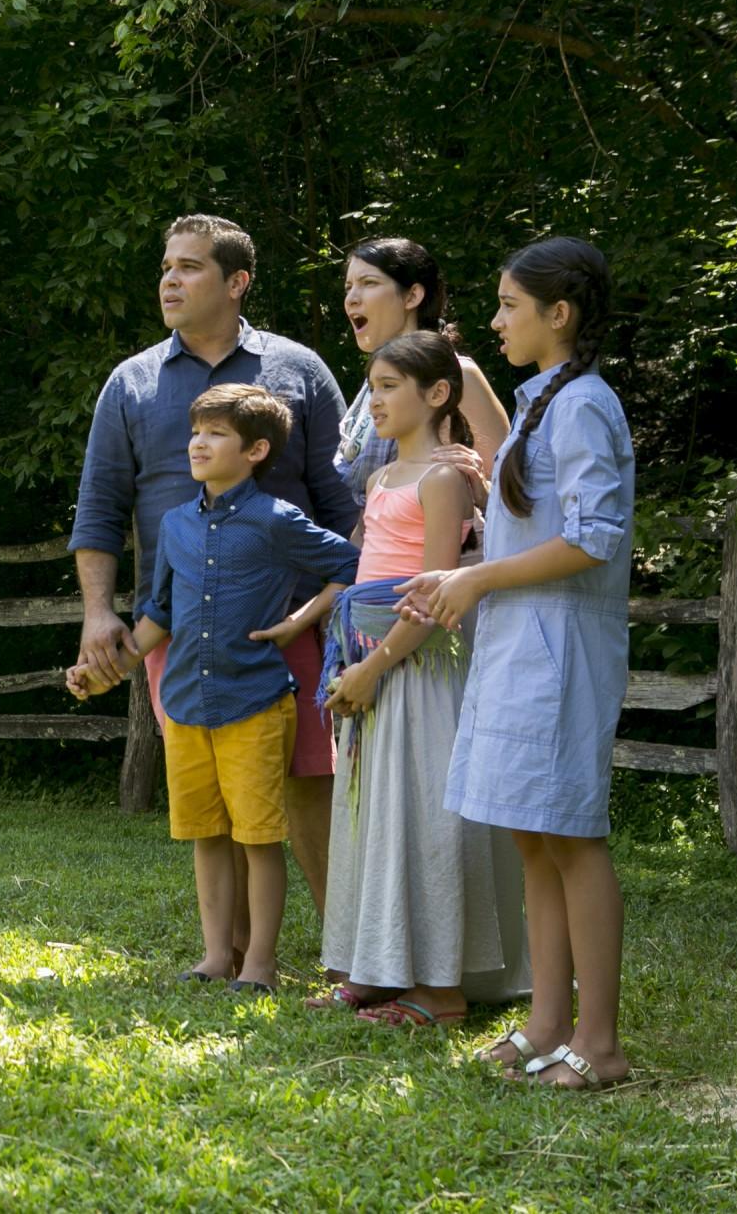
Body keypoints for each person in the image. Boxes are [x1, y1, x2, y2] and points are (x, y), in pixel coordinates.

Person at [71, 215, 361, 947]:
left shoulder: (299, 371)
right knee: (214, 797)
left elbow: (343, 511)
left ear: (237, 283)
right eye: (166, 266)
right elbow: (100, 508)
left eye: (190, 267)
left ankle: (347, 954)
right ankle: (227, 954)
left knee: (304, 787)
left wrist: (329, 612)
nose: (169, 279)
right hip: (181, 626)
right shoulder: (130, 382)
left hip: (285, 623)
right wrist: (99, 613)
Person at [397, 237, 634, 1090]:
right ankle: (545, 1025)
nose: (494, 321)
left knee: (572, 834)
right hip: (520, 642)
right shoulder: (542, 401)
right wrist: (456, 576)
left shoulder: (585, 406)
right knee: (533, 835)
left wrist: (478, 575)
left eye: (508, 306)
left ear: (557, 314)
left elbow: (593, 539)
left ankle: (600, 1045)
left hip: (562, 647)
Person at [311, 332, 529, 1023]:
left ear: (437, 394)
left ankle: (440, 989)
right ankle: (376, 968)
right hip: (368, 661)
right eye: (370, 386)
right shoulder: (381, 479)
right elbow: (361, 575)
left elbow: (435, 595)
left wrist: (376, 666)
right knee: (375, 815)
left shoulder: (445, 478)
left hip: (418, 668)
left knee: (427, 816)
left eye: (388, 387)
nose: (373, 400)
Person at [334, 238, 509, 512]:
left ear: (412, 296)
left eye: (368, 283)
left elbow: (507, 491)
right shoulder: (376, 381)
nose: (351, 299)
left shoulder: (458, 375)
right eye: (348, 287)